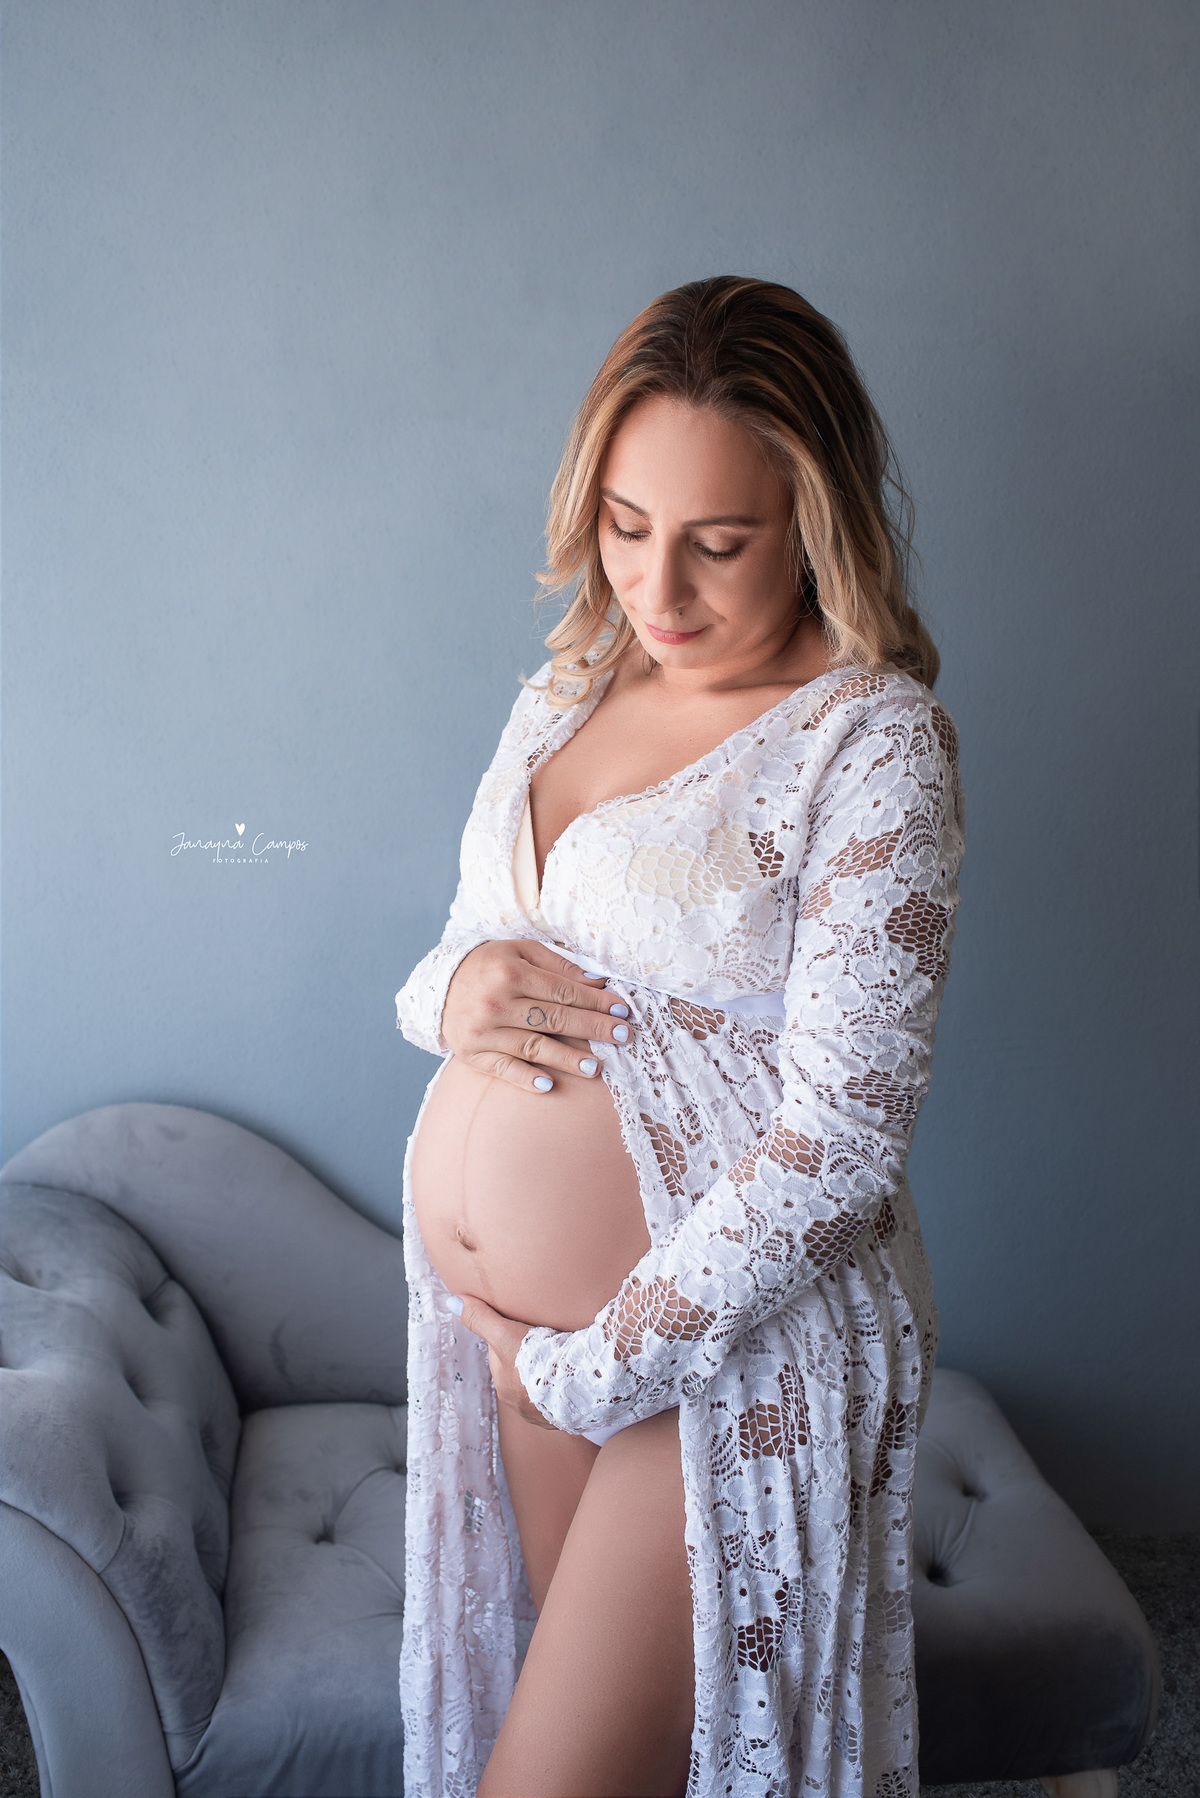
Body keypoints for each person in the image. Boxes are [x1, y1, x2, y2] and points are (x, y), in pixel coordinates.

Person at [394, 275, 965, 1798]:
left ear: (815, 523)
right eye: (628, 525)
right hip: (519, 1343)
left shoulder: (869, 742)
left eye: (720, 542)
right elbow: (462, 952)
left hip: (718, 1354)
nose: (662, 586)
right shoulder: (567, 690)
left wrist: (591, 1369)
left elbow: (842, 1145)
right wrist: (447, 995)